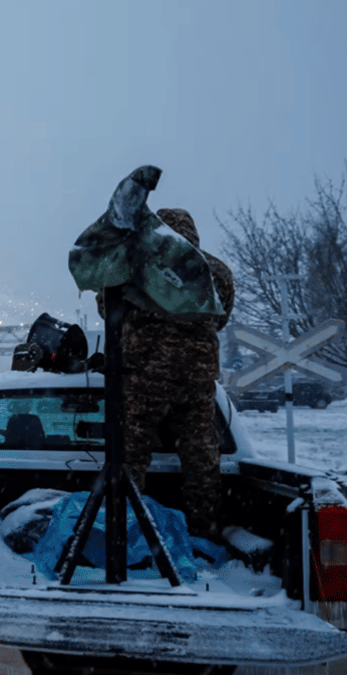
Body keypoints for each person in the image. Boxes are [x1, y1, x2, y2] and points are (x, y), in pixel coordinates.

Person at [100, 208, 236, 539]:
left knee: (130, 453)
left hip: (145, 373)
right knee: (201, 456)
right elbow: (221, 318)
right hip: (197, 376)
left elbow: (108, 308)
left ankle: (125, 531)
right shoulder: (216, 269)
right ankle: (203, 531)